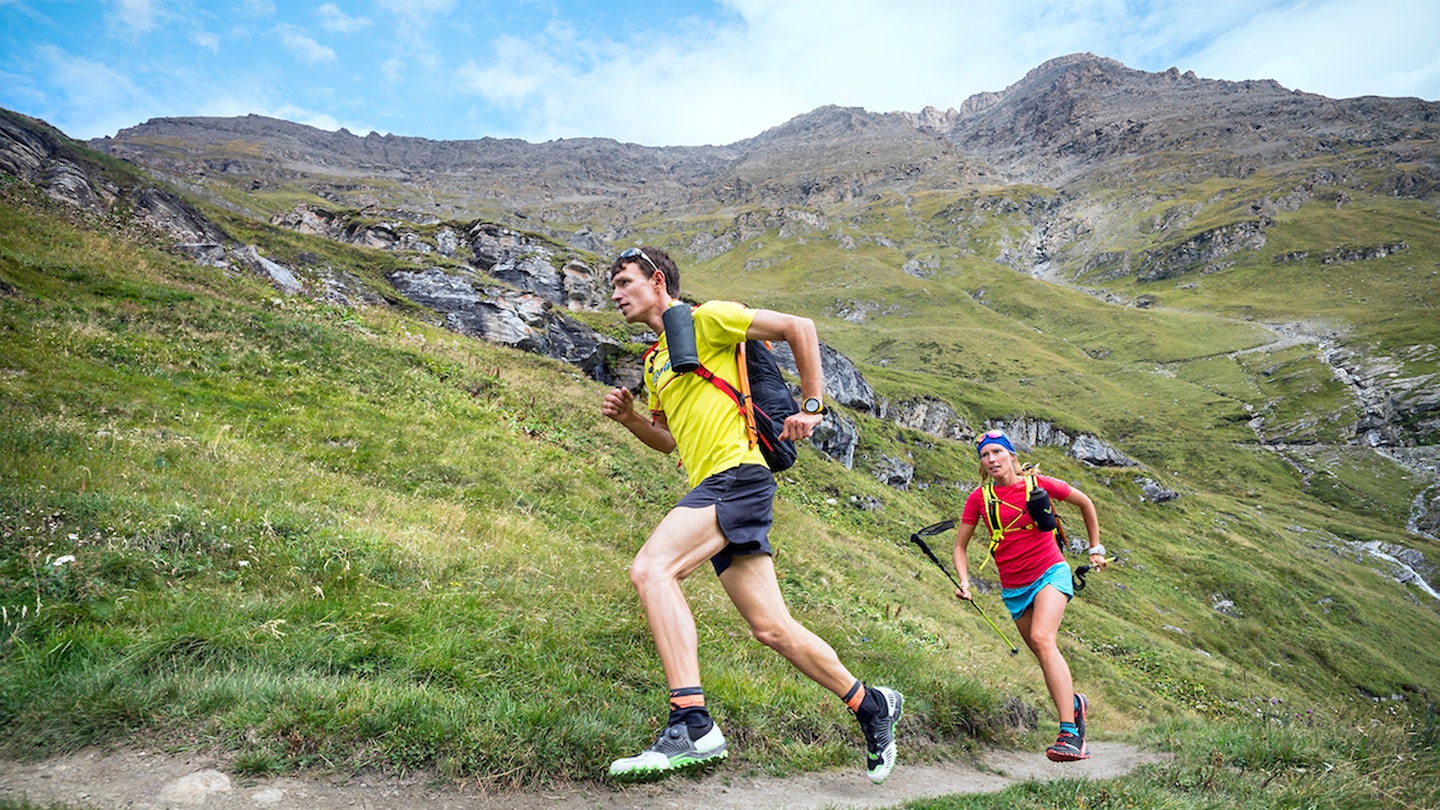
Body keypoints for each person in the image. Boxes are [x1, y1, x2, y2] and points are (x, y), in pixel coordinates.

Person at [600, 245, 903, 784]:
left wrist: (810, 409)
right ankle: (870, 704)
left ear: (657, 280)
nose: (616, 295)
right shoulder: (655, 361)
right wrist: (629, 420)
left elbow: (799, 327)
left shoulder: (708, 318)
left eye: (625, 282)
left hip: (737, 477)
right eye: (614, 288)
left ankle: (691, 722)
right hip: (716, 486)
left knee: (652, 570)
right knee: (773, 629)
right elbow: (667, 441)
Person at [951, 429, 1106, 761]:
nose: (991, 460)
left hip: (1051, 571)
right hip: (1014, 587)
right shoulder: (979, 498)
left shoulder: (1039, 484)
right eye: (984, 455)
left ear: (1010, 455)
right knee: (1041, 651)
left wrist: (1095, 549)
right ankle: (1075, 705)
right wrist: (965, 583)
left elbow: (1085, 503)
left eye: (996, 452)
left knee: (1042, 638)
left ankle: (1070, 734)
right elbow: (960, 547)